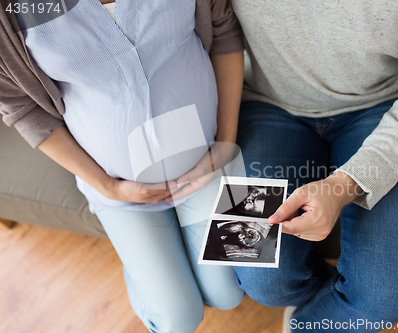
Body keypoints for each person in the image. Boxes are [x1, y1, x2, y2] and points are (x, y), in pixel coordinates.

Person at [229, 0, 398, 332]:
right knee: (259, 279)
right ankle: (325, 303)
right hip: (265, 103)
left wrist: (343, 187)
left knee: (381, 302)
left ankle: (310, 322)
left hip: (388, 109)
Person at [0, 0, 245, 332]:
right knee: (177, 320)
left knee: (233, 291)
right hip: (116, 188)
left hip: (213, 158)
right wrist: (107, 186)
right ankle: (144, 263)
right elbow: (20, 107)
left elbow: (225, 30)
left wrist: (225, 144)